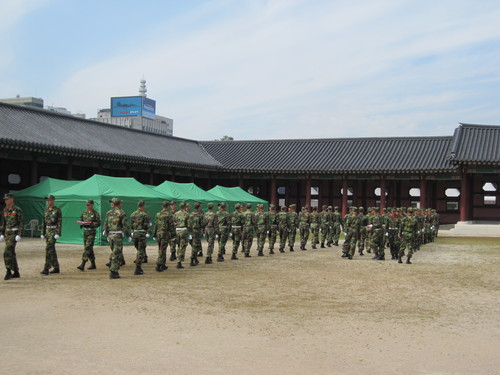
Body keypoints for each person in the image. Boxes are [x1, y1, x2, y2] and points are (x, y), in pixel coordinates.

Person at [103, 197, 130, 279]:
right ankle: (113, 271)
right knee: (116, 254)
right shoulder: (122, 213)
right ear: (119, 204)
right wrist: (128, 235)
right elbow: (125, 225)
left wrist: (106, 234)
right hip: (117, 236)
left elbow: (106, 224)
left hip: (110, 235)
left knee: (114, 252)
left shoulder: (109, 213)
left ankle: (114, 270)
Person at [1, 193, 24, 280]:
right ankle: (16, 272)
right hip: (7, 234)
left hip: (14, 234)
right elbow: (3, 222)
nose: (6, 201)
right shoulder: (5, 210)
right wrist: (1, 233)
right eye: (5, 199)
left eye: (7, 199)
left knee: (7, 252)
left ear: (12, 199)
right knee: (11, 253)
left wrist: (19, 234)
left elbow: (21, 222)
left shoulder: (17, 210)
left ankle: (8, 271)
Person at [40, 195, 62, 275]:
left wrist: (57, 233)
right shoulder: (46, 210)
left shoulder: (57, 210)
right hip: (47, 231)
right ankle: (56, 267)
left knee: (48, 248)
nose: (48, 201)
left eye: (49, 200)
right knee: (51, 250)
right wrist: (42, 233)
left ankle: (46, 268)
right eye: (47, 200)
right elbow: (43, 222)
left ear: (53, 200)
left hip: (53, 230)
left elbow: (59, 222)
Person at [76, 199, 101, 271]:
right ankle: (93, 264)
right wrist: (81, 223)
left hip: (91, 232)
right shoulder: (84, 213)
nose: (87, 206)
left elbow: (98, 223)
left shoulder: (95, 213)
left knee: (87, 247)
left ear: (92, 205)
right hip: (85, 232)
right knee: (89, 248)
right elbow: (80, 219)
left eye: (88, 204)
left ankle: (83, 263)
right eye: (86, 204)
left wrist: (91, 224)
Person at [130, 200, 150, 275]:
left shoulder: (133, 214)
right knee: (141, 250)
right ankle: (138, 267)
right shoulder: (145, 214)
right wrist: (148, 232)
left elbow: (131, 224)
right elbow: (147, 225)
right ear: (143, 205)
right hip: (142, 234)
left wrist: (132, 231)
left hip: (135, 233)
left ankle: (141, 259)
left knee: (138, 248)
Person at [153, 201, 173, 272]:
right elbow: (171, 226)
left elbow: (156, 225)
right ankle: (158, 264)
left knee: (161, 249)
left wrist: (154, 234)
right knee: (162, 249)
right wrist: (173, 235)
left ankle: (163, 264)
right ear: (167, 207)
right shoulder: (169, 214)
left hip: (159, 233)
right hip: (165, 234)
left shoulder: (158, 214)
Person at [173, 201, 190, 269]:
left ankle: (178, 259)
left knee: (179, 246)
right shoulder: (187, 214)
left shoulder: (176, 214)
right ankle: (179, 262)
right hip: (183, 231)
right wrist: (189, 233)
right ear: (185, 206)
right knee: (182, 247)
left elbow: (173, 222)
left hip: (177, 231)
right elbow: (189, 224)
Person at [188, 202, 203, 266]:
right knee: (195, 247)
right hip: (197, 232)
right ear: (199, 207)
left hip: (191, 232)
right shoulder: (200, 215)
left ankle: (195, 259)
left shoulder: (190, 215)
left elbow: (188, 225)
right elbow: (202, 224)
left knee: (194, 246)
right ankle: (192, 260)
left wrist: (189, 233)